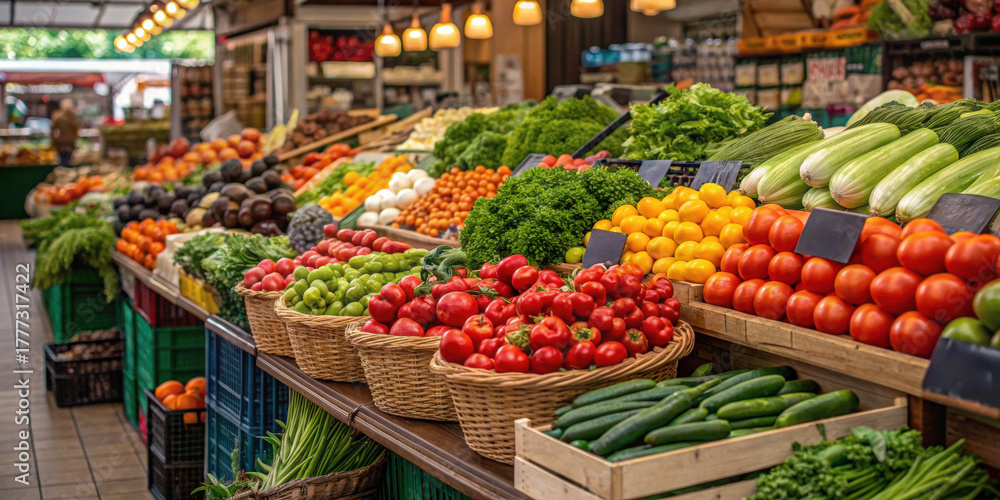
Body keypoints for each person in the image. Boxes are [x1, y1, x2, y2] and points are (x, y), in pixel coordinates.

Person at [51, 99, 80, 167]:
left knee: (64, 162)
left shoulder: (58, 117)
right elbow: (76, 131)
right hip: (69, 142)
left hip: (61, 142)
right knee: (68, 161)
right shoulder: (73, 118)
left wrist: (54, 139)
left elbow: (52, 129)